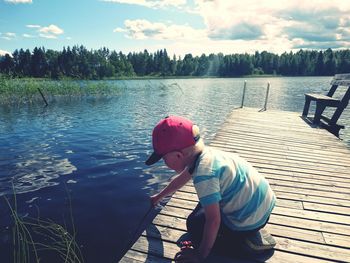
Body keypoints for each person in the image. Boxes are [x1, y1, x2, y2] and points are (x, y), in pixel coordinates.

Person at [146, 115, 276, 262]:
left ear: (178, 155)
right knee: (200, 211)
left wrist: (200, 255)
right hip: (260, 206)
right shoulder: (206, 155)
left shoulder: (204, 174)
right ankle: (249, 228)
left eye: (164, 159)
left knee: (194, 227)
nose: (164, 163)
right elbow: (180, 180)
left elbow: (213, 221)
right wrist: (159, 196)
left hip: (248, 219)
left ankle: (247, 244)